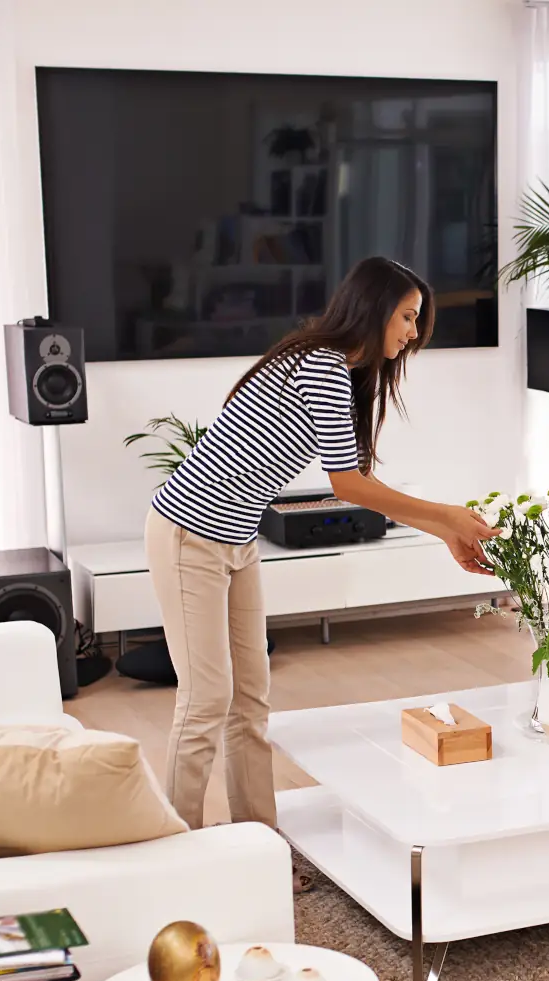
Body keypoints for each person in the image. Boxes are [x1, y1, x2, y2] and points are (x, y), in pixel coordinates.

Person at [145, 256, 496, 832]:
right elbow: (348, 485)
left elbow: (356, 481)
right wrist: (448, 519)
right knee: (207, 699)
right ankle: (170, 846)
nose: (412, 333)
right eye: (407, 317)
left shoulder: (343, 369)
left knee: (250, 702)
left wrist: (444, 531)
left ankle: (258, 838)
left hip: (237, 539)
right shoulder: (321, 364)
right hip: (189, 535)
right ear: (375, 307)